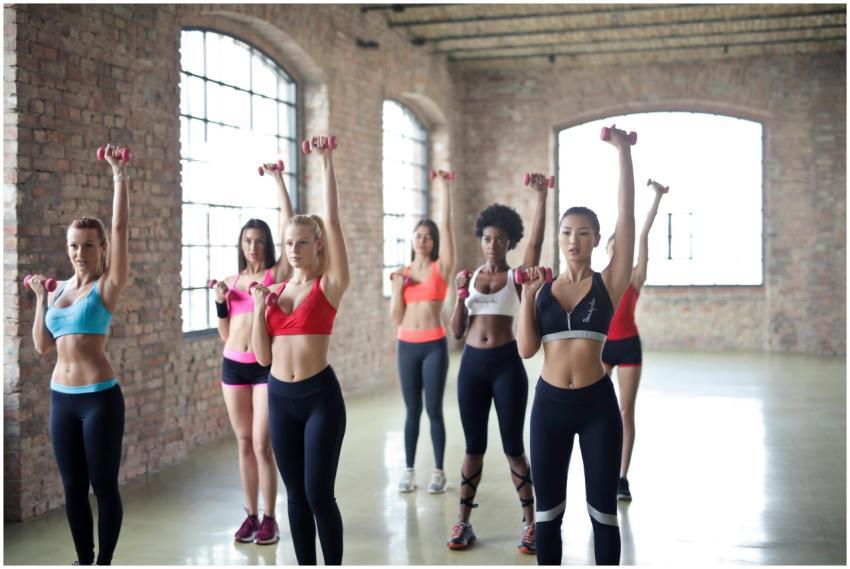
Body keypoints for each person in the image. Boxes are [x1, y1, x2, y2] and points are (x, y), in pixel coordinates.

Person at [517, 126, 636, 565]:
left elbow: (627, 218)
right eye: (567, 232)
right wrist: (527, 299)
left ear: (595, 238)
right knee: (547, 516)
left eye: (584, 233)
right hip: (548, 407)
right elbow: (526, 350)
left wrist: (623, 153)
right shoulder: (543, 288)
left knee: (603, 515)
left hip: (596, 408)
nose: (573, 240)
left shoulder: (610, 283)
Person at [29, 144, 130, 565]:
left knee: (102, 485)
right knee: (71, 486)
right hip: (62, 399)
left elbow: (122, 228)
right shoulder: (59, 291)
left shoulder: (107, 286)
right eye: (74, 246)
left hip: (99, 398)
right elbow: (41, 346)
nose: (79, 253)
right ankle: (83, 559)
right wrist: (39, 299)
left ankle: (104, 561)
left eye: (88, 246)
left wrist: (119, 176)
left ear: (102, 248)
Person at [251, 135, 349, 565]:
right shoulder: (274, 290)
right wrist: (257, 310)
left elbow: (331, 220)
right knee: (294, 497)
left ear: (319, 245)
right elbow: (262, 358)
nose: (293, 249)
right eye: (289, 244)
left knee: (317, 494)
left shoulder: (329, 286)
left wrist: (326, 163)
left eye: (303, 243)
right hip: (279, 396)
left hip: (318, 398)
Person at [445, 174, 548, 553]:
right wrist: (458, 297)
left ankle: (530, 524)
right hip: (472, 365)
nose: (493, 245)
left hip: (506, 365)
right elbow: (456, 331)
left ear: (510, 242)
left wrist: (541, 197)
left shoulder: (517, 277)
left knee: (513, 447)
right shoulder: (469, 278)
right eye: (487, 239)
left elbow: (536, 244)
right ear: (481, 239)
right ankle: (463, 523)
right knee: (473, 448)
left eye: (501, 240)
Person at [210, 163, 294, 544]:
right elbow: (226, 333)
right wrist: (219, 304)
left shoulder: (275, 276)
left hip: (263, 369)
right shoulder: (231, 282)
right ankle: (250, 514)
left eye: (259, 240)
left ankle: (271, 518)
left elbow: (290, 225)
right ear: (241, 245)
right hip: (233, 368)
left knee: (263, 444)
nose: (254, 246)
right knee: (243, 443)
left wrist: (279, 182)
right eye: (248, 240)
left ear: (268, 245)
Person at [389, 170, 455, 494]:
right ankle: (410, 469)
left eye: (428, 236)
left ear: (434, 242)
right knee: (411, 410)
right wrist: (398, 288)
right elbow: (396, 316)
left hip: (433, 346)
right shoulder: (401, 273)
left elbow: (447, 227)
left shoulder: (440, 269)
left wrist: (444, 188)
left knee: (433, 410)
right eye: (419, 235)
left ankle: (439, 472)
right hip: (406, 345)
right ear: (412, 239)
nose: (423, 240)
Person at [602, 179, 668, 502]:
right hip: (601, 348)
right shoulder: (599, 277)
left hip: (628, 346)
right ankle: (601, 469)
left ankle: (621, 477)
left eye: (622, 245)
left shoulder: (636, 277)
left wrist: (656, 199)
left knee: (626, 411)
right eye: (614, 244)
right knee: (599, 410)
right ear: (608, 249)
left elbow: (641, 234)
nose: (620, 248)